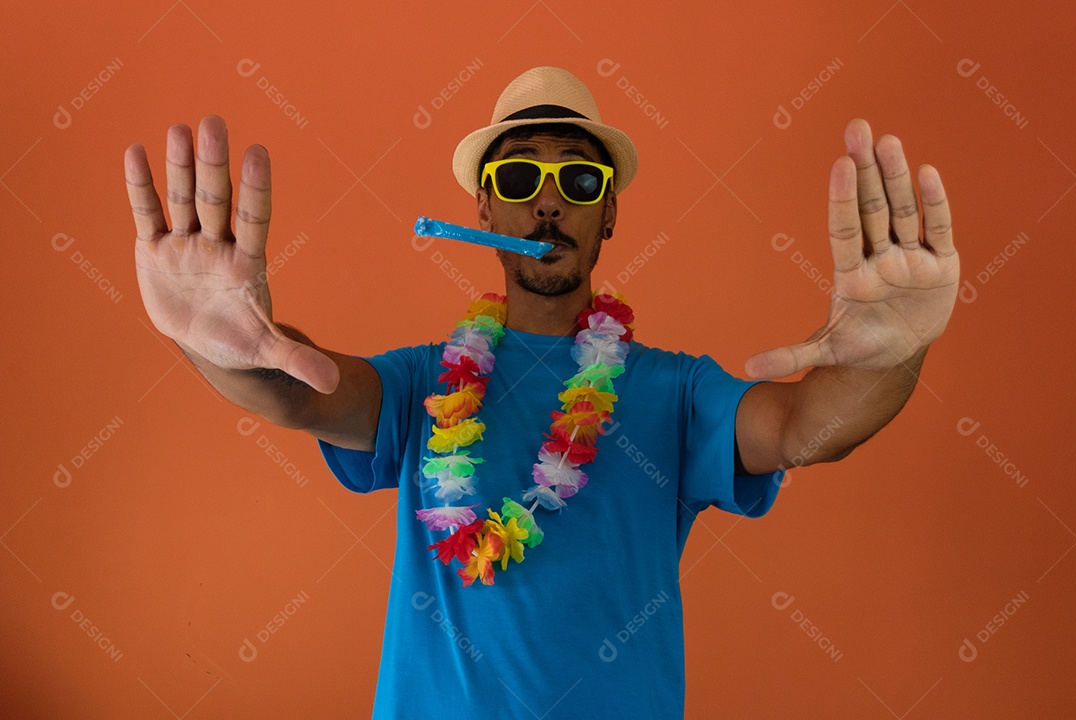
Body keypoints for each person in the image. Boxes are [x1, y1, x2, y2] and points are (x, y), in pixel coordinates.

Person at [124, 66, 959, 717]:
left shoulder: (675, 394)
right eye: (519, 182)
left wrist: (895, 349)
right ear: (485, 206)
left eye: (579, 183)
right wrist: (214, 341)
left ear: (611, 216)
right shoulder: (421, 385)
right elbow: (297, 388)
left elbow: (811, 427)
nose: (549, 202)